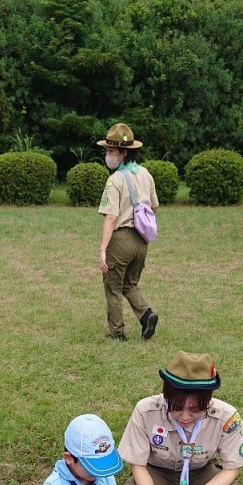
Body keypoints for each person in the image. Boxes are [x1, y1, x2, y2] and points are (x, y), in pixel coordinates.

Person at [118, 351, 243, 485]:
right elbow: (138, 465)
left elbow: (232, 468)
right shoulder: (145, 410)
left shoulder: (226, 416)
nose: (184, 416)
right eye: (176, 407)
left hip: (200, 470)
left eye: (195, 409)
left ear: (208, 400)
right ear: (166, 396)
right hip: (156, 470)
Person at [97, 123, 159, 342]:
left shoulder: (115, 180)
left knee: (113, 287)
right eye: (107, 150)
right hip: (142, 241)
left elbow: (111, 217)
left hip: (121, 240)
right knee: (129, 284)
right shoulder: (145, 174)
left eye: (112, 150)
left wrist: (103, 249)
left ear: (124, 152)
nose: (108, 155)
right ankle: (146, 316)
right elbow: (154, 207)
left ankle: (117, 333)